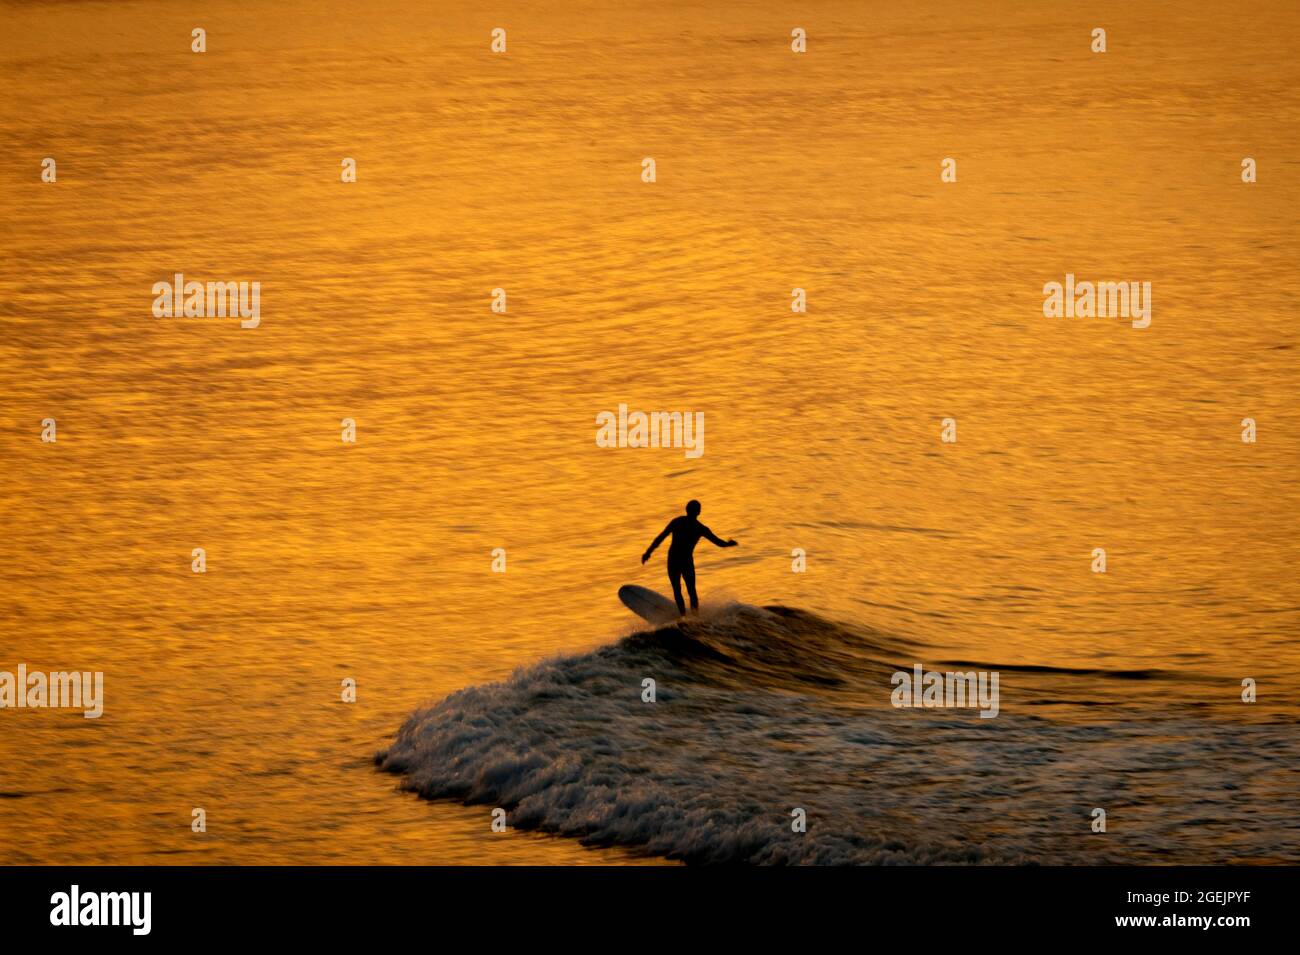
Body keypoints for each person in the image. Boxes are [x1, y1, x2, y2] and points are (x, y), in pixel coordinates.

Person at [641, 500, 738, 615]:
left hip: (673, 560)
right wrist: (729, 544)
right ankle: (695, 617)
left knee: (677, 589)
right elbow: (719, 543)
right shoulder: (700, 528)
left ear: (686, 509)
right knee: (691, 590)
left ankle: (683, 616)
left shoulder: (677, 522)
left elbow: (660, 538)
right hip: (686, 561)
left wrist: (648, 552)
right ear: (699, 512)